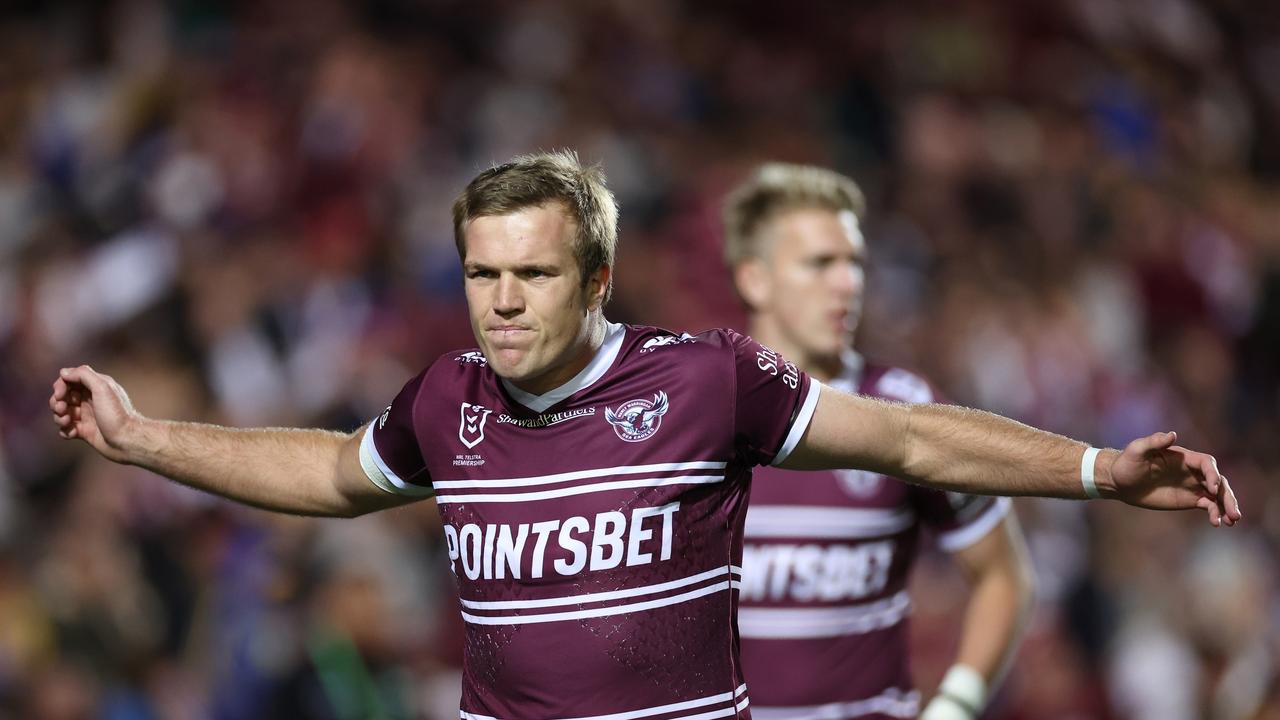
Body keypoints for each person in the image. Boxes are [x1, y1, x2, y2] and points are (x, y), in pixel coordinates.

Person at [50, 150, 1238, 720]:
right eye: (480, 273)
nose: (502, 301)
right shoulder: (442, 400)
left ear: (599, 278)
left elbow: (911, 442)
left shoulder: (708, 384)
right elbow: (323, 469)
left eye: (533, 274)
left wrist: (1097, 471)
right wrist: (146, 436)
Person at [722, 163, 1033, 720]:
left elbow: (1002, 576)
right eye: (820, 263)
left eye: (855, 263)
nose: (848, 283)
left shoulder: (904, 408)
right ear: (754, 279)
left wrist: (956, 705)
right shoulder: (692, 412)